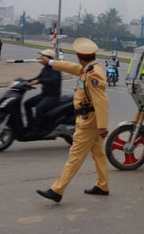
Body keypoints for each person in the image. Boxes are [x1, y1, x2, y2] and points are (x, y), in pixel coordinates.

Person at [36, 38, 109, 203]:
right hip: (91, 120)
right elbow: (72, 67)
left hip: (89, 121)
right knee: (98, 154)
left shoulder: (93, 74)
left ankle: (57, 190)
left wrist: (103, 126)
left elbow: (101, 100)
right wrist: (50, 63)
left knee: (75, 156)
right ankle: (103, 186)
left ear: (79, 56)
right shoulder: (89, 68)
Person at [24, 49, 62, 135]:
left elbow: (54, 81)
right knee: (27, 103)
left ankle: (36, 130)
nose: (40, 58)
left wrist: (39, 81)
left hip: (53, 97)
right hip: (44, 95)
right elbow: (38, 78)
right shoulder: (45, 69)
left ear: (49, 58)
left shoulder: (55, 68)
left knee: (39, 107)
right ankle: (30, 125)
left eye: (42, 57)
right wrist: (25, 82)